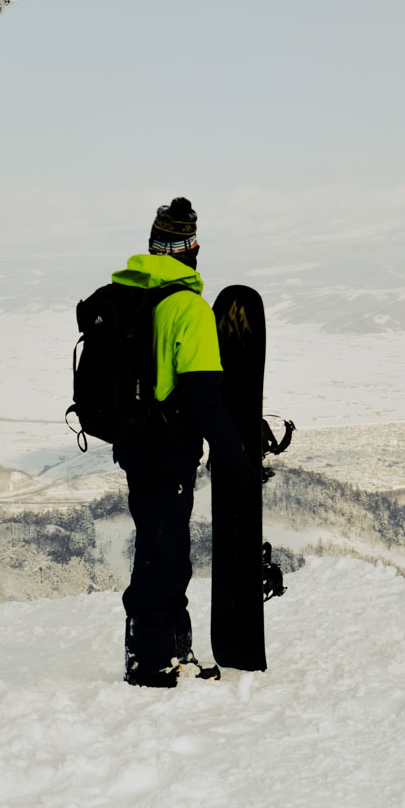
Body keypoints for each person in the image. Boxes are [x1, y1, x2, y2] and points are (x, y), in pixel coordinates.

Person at [110, 197, 249, 687]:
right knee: (165, 554)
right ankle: (151, 662)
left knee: (159, 547)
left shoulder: (125, 295)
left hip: (133, 444)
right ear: (191, 250)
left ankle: (170, 652)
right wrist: (238, 458)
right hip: (167, 449)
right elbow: (203, 397)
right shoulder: (188, 308)